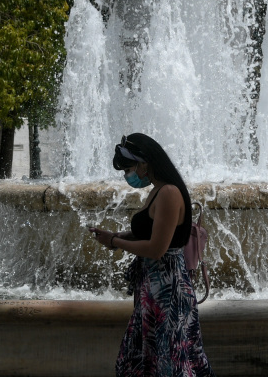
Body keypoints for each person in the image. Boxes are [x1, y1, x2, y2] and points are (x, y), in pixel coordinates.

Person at [89, 133, 214, 377]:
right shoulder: (157, 191)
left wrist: (115, 241)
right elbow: (151, 232)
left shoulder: (168, 192)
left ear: (145, 162)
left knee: (166, 360)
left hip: (167, 288)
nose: (128, 175)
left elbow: (158, 249)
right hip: (155, 286)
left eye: (129, 168)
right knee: (153, 359)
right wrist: (119, 236)